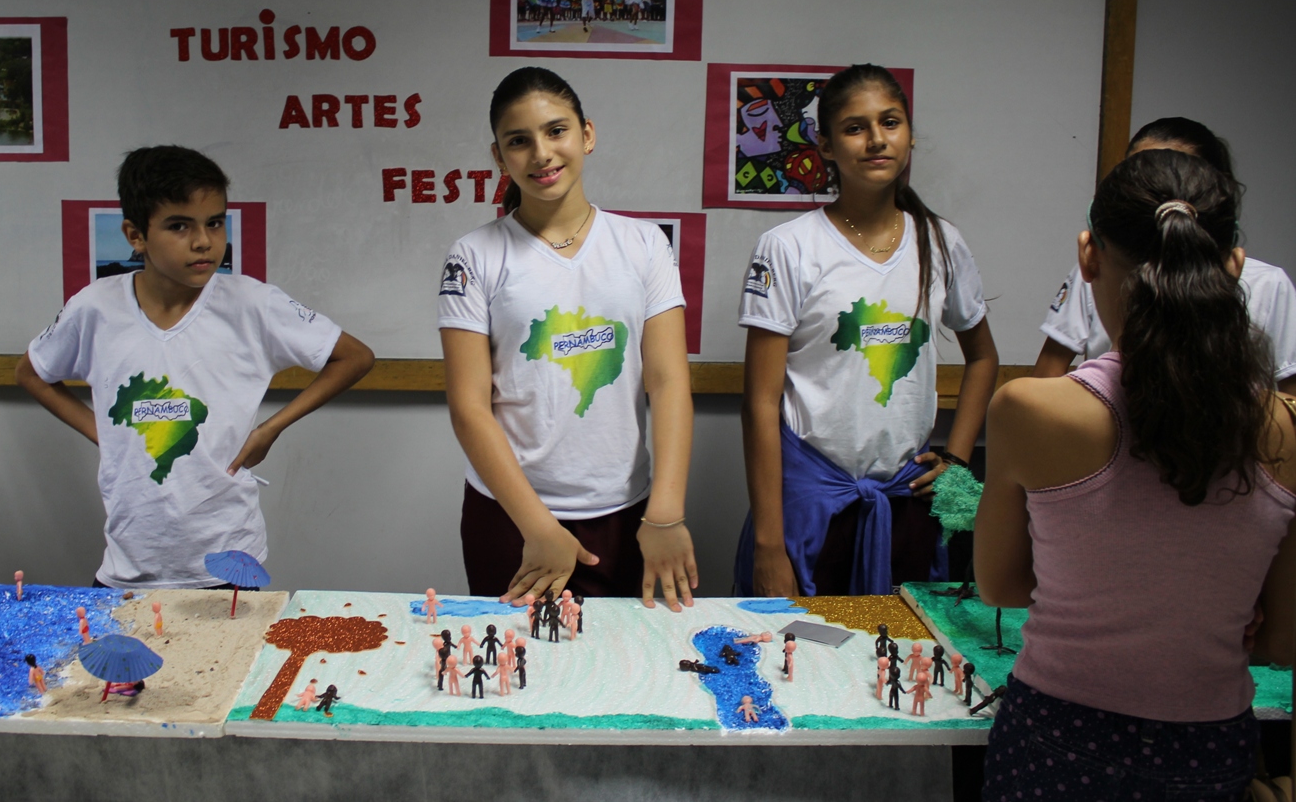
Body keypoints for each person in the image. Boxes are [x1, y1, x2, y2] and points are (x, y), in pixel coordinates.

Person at [975, 149, 1296, 801]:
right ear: (1232, 264)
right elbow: (1281, 638)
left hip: (1054, 736)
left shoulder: (1029, 408)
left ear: (1087, 255)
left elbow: (1000, 583)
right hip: (1205, 744)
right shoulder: (1284, 426)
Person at [16, 146, 374, 589]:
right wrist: (102, 433)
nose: (204, 241)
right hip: (129, 566)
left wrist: (271, 428)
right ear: (135, 235)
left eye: (215, 222)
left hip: (228, 559)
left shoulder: (251, 303)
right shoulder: (94, 307)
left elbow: (355, 357)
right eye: (179, 226)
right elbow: (32, 373)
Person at [439, 67, 698, 610]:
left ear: (587, 135)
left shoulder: (644, 244)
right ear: (499, 156)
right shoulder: (474, 254)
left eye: (556, 131)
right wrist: (539, 528)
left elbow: (669, 380)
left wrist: (666, 512)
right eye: (519, 140)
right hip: (512, 518)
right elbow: (469, 406)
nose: (541, 153)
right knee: (516, 678)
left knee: (624, 679)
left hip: (628, 513)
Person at [735, 64, 998, 597]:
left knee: (894, 664)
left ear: (909, 135)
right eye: (855, 127)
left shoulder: (941, 241)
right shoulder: (789, 247)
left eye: (890, 122)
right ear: (825, 146)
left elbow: (984, 357)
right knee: (800, 663)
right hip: (811, 506)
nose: (877, 139)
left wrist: (957, 459)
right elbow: (760, 403)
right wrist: (769, 544)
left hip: (907, 506)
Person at [1034, 116, 1296, 393]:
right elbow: (1047, 375)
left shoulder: (1269, 285)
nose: (1155, 186)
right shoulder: (1103, 265)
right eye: (1138, 174)